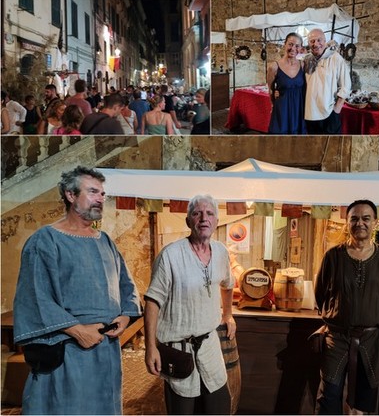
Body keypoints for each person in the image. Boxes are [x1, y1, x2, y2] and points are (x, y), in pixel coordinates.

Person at [12, 166, 141, 414]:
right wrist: (78, 331)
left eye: (102, 194)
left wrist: (125, 316)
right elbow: (35, 296)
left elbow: (127, 285)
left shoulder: (104, 241)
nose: (100, 199)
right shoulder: (46, 240)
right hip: (69, 349)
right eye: (93, 192)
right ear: (71, 195)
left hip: (106, 352)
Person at [315, 199, 379, 414]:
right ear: (347, 222)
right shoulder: (333, 257)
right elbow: (320, 293)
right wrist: (336, 315)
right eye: (354, 219)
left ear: (375, 222)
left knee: (364, 400)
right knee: (328, 394)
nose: (360, 223)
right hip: (336, 339)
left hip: (371, 339)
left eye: (366, 218)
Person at [145, 194, 236, 415]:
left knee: (219, 408)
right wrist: (150, 347)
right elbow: (152, 302)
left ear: (216, 221)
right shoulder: (170, 255)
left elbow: (228, 284)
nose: (204, 218)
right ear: (188, 221)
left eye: (210, 213)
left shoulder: (221, 252)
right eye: (197, 214)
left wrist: (228, 314)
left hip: (209, 348)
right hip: (179, 350)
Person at [303, 28, 351, 134]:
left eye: (319, 40)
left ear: (325, 41)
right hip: (309, 114)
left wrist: (336, 110)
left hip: (329, 114)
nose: (316, 44)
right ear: (308, 43)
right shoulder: (306, 60)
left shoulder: (336, 59)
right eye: (312, 41)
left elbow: (346, 86)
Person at [267, 32, 306, 134]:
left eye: (297, 46)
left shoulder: (303, 65)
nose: (293, 48)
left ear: (301, 48)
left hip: (299, 109)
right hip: (282, 110)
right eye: (290, 44)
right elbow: (270, 89)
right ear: (285, 44)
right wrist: (273, 103)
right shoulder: (274, 67)